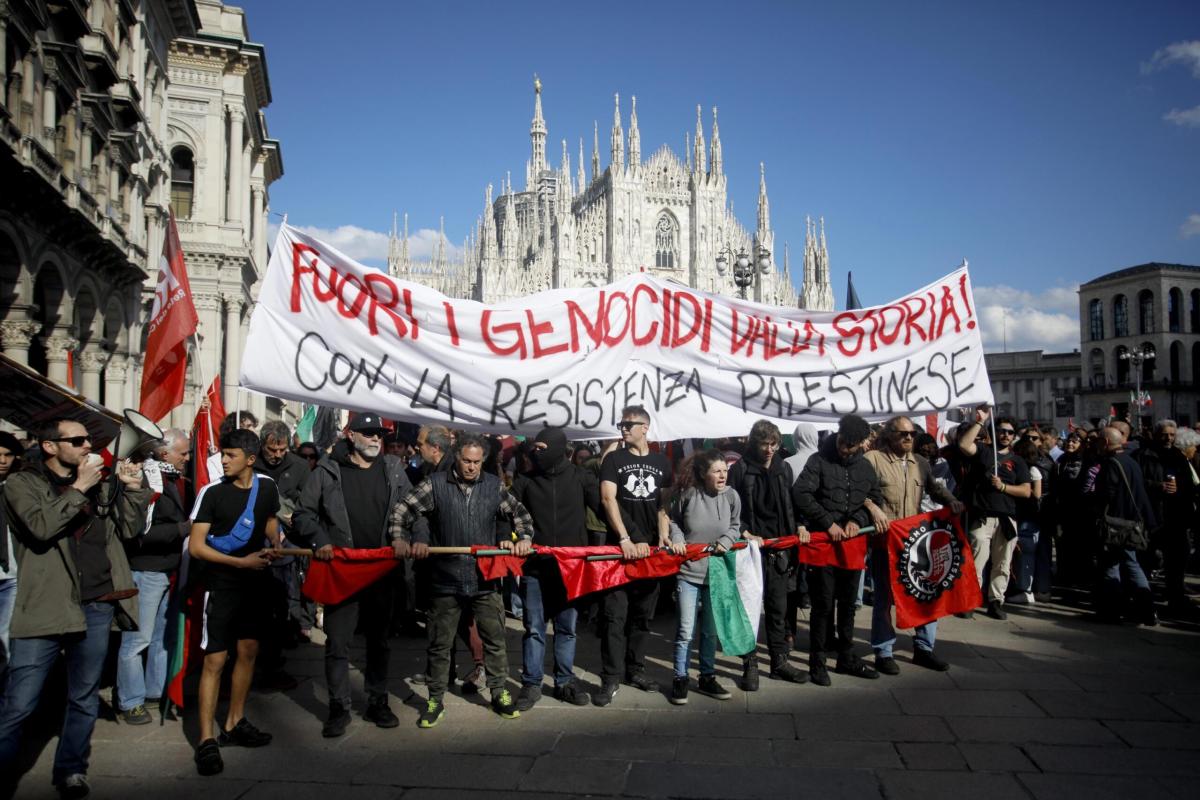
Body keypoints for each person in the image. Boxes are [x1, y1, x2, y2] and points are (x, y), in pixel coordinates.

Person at [0, 419, 149, 799]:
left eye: (89, 440)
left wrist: (131, 492)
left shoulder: (101, 485)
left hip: (96, 603)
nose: (88, 446)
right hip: (45, 606)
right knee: (19, 701)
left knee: (83, 696)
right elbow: (41, 526)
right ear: (50, 447)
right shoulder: (22, 484)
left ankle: (72, 769)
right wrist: (81, 487)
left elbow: (129, 532)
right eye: (78, 440)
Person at [390, 434, 534, 728]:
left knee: (494, 641)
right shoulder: (435, 484)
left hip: (485, 579)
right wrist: (399, 539)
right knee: (439, 645)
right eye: (467, 461)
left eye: (477, 462)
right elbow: (403, 510)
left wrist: (524, 539)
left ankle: (499, 693)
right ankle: (435, 699)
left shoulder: (494, 486)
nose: (471, 467)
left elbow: (520, 514)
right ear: (456, 457)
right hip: (445, 577)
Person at [293, 412, 422, 737]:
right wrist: (319, 539)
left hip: (382, 572)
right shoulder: (327, 470)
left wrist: (413, 538)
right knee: (337, 642)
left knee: (379, 642)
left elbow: (414, 510)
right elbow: (302, 514)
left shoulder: (394, 469)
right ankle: (339, 706)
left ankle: (378, 701)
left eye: (379, 434)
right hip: (343, 572)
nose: (376, 439)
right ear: (351, 436)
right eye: (368, 433)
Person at [188, 429, 280, 776]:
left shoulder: (267, 487)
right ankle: (206, 739)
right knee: (215, 659)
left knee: (248, 651)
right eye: (222, 454)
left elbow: (269, 520)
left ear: (250, 460)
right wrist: (240, 563)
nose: (223, 460)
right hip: (222, 583)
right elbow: (197, 546)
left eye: (230, 455)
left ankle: (235, 721)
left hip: (256, 583)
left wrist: (277, 540)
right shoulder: (211, 493)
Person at [863, 417, 963, 675]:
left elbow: (935, 489)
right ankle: (884, 652)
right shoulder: (873, 459)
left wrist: (951, 501)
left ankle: (924, 648)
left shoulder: (920, 462)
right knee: (884, 598)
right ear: (889, 435)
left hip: (916, 542)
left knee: (925, 592)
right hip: (885, 542)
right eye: (903, 434)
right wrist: (872, 507)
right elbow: (857, 491)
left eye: (912, 434)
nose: (909, 438)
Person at [509, 428, 599, 710]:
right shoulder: (525, 480)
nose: (538, 453)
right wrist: (507, 535)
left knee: (566, 628)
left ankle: (564, 682)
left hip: (570, 569)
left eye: (543, 447)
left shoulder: (581, 478)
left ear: (560, 448)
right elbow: (505, 511)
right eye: (535, 448)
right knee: (534, 627)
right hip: (535, 569)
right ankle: (531, 684)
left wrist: (633, 535)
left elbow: (607, 507)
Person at [792, 413, 883, 686]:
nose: (845, 449)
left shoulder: (865, 467)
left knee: (848, 605)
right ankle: (817, 662)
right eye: (843, 442)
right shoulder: (818, 461)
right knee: (822, 605)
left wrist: (859, 520)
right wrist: (827, 522)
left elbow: (875, 498)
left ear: (861, 445)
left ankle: (846, 656)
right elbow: (801, 494)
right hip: (824, 543)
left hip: (852, 545)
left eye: (851, 446)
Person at [595, 405, 672, 706]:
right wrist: (625, 538)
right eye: (622, 424)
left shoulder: (661, 462)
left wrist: (663, 533)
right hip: (619, 551)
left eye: (630, 424)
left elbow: (664, 503)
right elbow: (607, 498)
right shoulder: (613, 459)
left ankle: (635, 669)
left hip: (649, 551)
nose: (624, 428)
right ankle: (611, 677)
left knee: (642, 616)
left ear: (645, 427)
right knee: (615, 616)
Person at [116, 428, 191, 725]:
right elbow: (137, 533)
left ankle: (154, 692)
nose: (187, 458)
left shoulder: (173, 479)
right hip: (146, 570)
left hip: (167, 569)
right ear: (164, 453)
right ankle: (130, 700)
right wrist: (182, 529)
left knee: (162, 637)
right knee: (137, 639)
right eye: (182, 453)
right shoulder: (145, 480)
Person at [727, 420, 809, 690]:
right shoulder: (740, 469)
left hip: (779, 547)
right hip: (750, 549)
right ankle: (749, 664)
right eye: (765, 443)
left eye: (774, 443)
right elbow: (732, 508)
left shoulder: (783, 467)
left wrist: (798, 525)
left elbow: (791, 501)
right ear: (755, 443)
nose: (770, 449)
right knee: (749, 609)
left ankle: (779, 661)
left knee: (778, 608)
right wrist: (745, 532)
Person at [667, 449, 741, 704]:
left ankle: (707, 676)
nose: (723, 475)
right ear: (703, 474)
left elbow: (735, 525)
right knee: (686, 629)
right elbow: (674, 521)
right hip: (689, 572)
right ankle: (680, 677)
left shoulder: (732, 496)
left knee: (710, 631)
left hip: (717, 572)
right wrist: (677, 539)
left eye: (725, 470)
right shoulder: (688, 494)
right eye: (717, 471)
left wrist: (728, 540)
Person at [956, 408, 1033, 621]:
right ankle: (971, 599)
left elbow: (1026, 491)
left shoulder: (1018, 462)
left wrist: (1003, 488)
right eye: (1001, 431)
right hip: (982, 516)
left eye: (1009, 432)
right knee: (977, 559)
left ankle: (995, 601)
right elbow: (963, 445)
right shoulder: (983, 451)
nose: (1005, 435)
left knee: (1002, 562)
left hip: (1006, 518)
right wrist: (980, 422)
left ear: (1014, 436)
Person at [254, 420, 311, 668]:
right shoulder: (251, 462)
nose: (277, 455)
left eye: (282, 450)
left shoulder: (299, 466)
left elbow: (307, 502)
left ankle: (278, 649)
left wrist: (292, 523)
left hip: (287, 542)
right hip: (254, 539)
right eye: (271, 450)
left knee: (283, 596)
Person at [1092, 427, 1157, 625]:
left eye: (1098, 442)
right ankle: (1147, 611)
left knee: (1114, 566)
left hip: (1116, 526)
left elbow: (1107, 495)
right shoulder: (1131, 461)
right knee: (1130, 563)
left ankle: (1114, 611)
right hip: (1131, 524)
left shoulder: (1112, 463)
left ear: (1104, 442)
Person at [1133, 419, 1197, 620]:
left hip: (1175, 518)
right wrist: (1157, 486)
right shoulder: (1143, 455)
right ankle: (1144, 603)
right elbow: (1137, 484)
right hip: (1152, 517)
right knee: (1147, 561)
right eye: (1164, 434)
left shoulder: (1178, 455)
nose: (1168, 438)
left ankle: (1176, 600)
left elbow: (1189, 486)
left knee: (1177, 562)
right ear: (1156, 434)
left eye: (1171, 434)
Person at [1007, 438, 1044, 606]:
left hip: (1028, 517)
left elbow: (1036, 494)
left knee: (1025, 554)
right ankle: (1022, 588)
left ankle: (1025, 590)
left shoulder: (1033, 470)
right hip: (1024, 515)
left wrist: (1022, 488)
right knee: (1021, 554)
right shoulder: (1029, 468)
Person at [0, 430, 23, 679]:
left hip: (12, 574)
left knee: (5, 640)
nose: (2, 461)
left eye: (8, 455)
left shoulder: (19, 488)